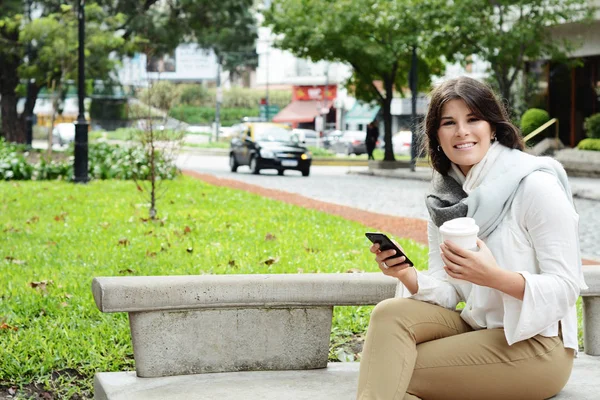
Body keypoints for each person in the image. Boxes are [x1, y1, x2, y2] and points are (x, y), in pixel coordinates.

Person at [356, 76, 588, 400]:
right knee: (388, 315)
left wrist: (494, 278)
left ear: (492, 127)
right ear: (437, 135)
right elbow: (449, 291)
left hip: (537, 345)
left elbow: (566, 286)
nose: (462, 131)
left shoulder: (534, 186)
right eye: (449, 122)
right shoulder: (445, 202)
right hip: (479, 328)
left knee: (394, 366)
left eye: (473, 119)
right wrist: (406, 274)